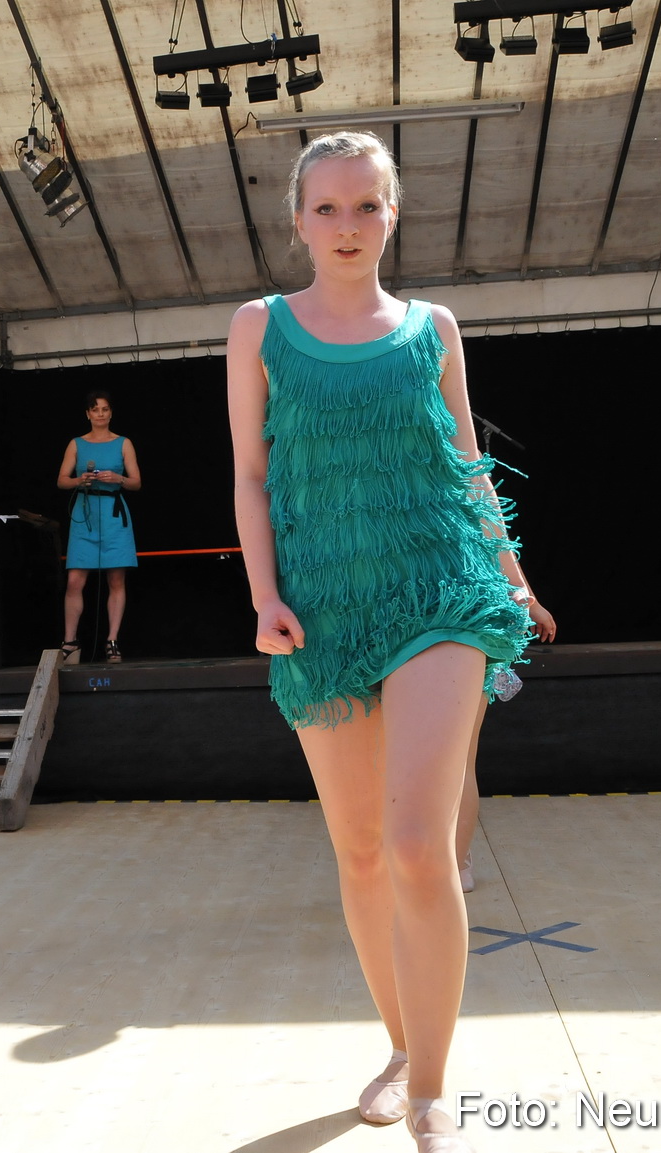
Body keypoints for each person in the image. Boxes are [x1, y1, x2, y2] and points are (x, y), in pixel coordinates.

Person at [226, 132, 536, 1151]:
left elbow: (467, 463)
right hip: (320, 606)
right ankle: (403, 1046)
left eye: (367, 206)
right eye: (328, 208)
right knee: (359, 851)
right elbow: (252, 477)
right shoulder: (257, 328)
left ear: (393, 214)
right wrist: (266, 595)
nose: (348, 225)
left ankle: (435, 1086)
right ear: (297, 219)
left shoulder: (433, 328)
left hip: (436, 588)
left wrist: (512, 574)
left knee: (416, 843)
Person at [455, 592, 556, 893]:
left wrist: (530, 603)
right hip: (393, 611)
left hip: (459, 615)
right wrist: (531, 603)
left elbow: (497, 543)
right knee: (454, 760)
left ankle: (457, 860)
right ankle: (453, 862)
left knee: (457, 759)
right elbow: (498, 543)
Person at [56, 390, 140, 664]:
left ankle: (112, 640)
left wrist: (118, 478)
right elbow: (61, 481)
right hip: (85, 513)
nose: (100, 414)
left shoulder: (124, 443)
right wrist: (80, 480)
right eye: (95, 409)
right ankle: (70, 642)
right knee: (75, 580)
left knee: (116, 580)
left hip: (114, 515)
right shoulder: (76, 444)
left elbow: (136, 482)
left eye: (105, 409)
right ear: (88, 414)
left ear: (110, 413)